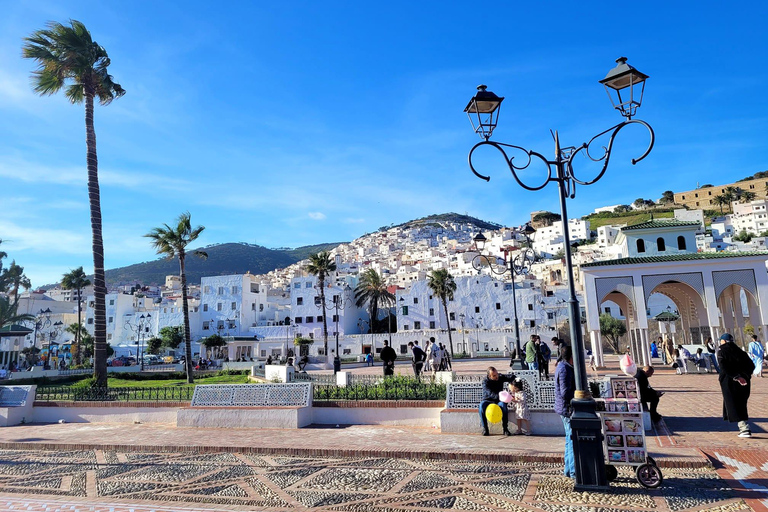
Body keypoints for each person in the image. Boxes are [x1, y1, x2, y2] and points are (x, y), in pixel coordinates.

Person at [717, 333, 755, 437]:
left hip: (729, 381)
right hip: (744, 382)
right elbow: (751, 365)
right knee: (741, 403)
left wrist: (736, 377)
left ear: (723, 341)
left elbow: (723, 367)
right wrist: (744, 376)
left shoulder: (722, 351)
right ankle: (744, 426)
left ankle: (744, 428)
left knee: (733, 403)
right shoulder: (740, 352)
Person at [555, 346, 576, 479]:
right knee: (573, 439)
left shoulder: (563, 366)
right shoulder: (564, 369)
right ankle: (573, 471)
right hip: (566, 408)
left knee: (569, 439)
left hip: (565, 408)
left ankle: (569, 470)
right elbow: (565, 392)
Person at [479, 366, 515, 436]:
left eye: (497, 374)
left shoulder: (500, 377)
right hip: (488, 400)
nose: (497, 376)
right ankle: (485, 429)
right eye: (494, 375)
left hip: (499, 400)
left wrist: (513, 382)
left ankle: (505, 429)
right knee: (481, 406)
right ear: (489, 376)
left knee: (503, 406)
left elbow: (511, 377)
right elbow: (489, 393)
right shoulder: (485, 382)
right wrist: (499, 396)